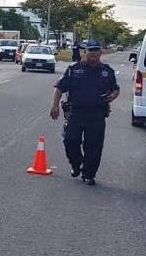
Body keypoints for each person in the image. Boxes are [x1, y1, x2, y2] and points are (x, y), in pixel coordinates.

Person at [49, 40, 120, 186]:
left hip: (97, 114)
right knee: (70, 141)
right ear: (85, 52)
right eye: (90, 50)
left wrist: (113, 95)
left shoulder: (107, 71)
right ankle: (76, 165)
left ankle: (88, 174)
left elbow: (115, 88)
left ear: (100, 52)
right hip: (76, 112)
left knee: (94, 146)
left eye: (96, 50)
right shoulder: (74, 69)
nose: (93, 53)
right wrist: (54, 105)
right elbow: (59, 87)